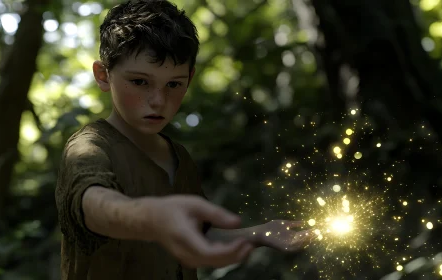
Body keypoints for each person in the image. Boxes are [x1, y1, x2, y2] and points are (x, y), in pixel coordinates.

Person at [54, 0, 312, 279]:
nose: (158, 101)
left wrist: (260, 234)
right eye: (140, 82)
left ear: (189, 79)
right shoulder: (89, 147)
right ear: (103, 76)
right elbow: (91, 203)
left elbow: (196, 236)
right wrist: (149, 217)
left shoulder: (178, 157)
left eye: (173, 84)